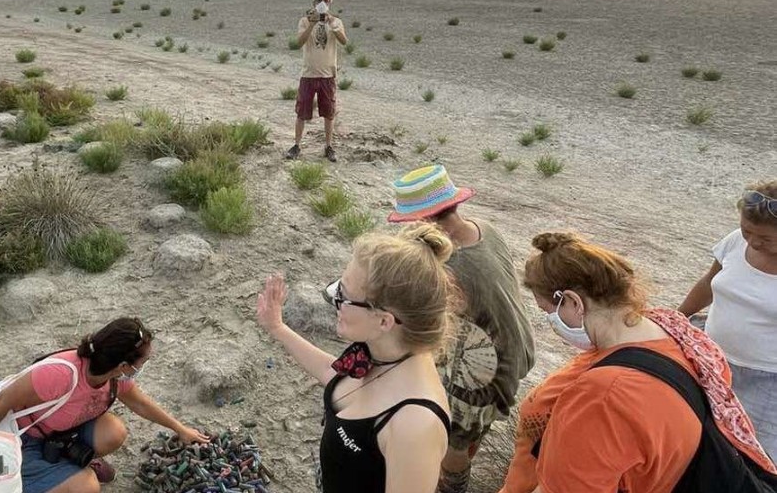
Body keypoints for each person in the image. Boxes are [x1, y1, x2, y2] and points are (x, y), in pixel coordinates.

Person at [500, 231, 776, 493]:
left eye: (548, 310)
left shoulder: (606, 397)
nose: (551, 321)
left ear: (573, 301)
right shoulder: (676, 336)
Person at [255, 222, 458, 493]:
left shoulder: (413, 425)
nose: (335, 301)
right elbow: (338, 377)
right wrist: (277, 328)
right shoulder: (384, 353)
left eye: (345, 297)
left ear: (384, 321)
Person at [387, 164, 535, 493]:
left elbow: (421, 322)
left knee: (457, 439)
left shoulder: (451, 266)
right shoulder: (484, 228)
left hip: (487, 369)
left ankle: (451, 484)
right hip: (514, 346)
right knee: (470, 433)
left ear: (423, 220)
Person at [0, 317, 209, 493]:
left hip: (58, 433)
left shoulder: (113, 377)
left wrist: (181, 429)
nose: (144, 365)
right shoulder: (59, 375)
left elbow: (141, 404)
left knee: (114, 432)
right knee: (86, 487)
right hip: (20, 440)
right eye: (143, 361)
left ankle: (65, 464)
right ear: (125, 365)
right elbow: (2, 401)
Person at [679, 180, 777, 458]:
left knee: (756, 455)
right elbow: (709, 283)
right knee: (702, 438)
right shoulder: (735, 241)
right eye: (748, 231)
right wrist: (678, 316)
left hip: (767, 380)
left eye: (766, 238)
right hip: (711, 360)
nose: (754, 242)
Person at [285, 0, 347, 163]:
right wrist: (312, 23)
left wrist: (331, 23)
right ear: (314, 2)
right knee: (302, 111)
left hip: (328, 75)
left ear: (330, 2)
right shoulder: (304, 21)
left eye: (326, 0)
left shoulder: (336, 21)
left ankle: (328, 146)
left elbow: (344, 41)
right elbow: (298, 43)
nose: (323, 3)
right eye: (319, 0)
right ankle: (296, 145)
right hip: (308, 74)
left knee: (329, 113)